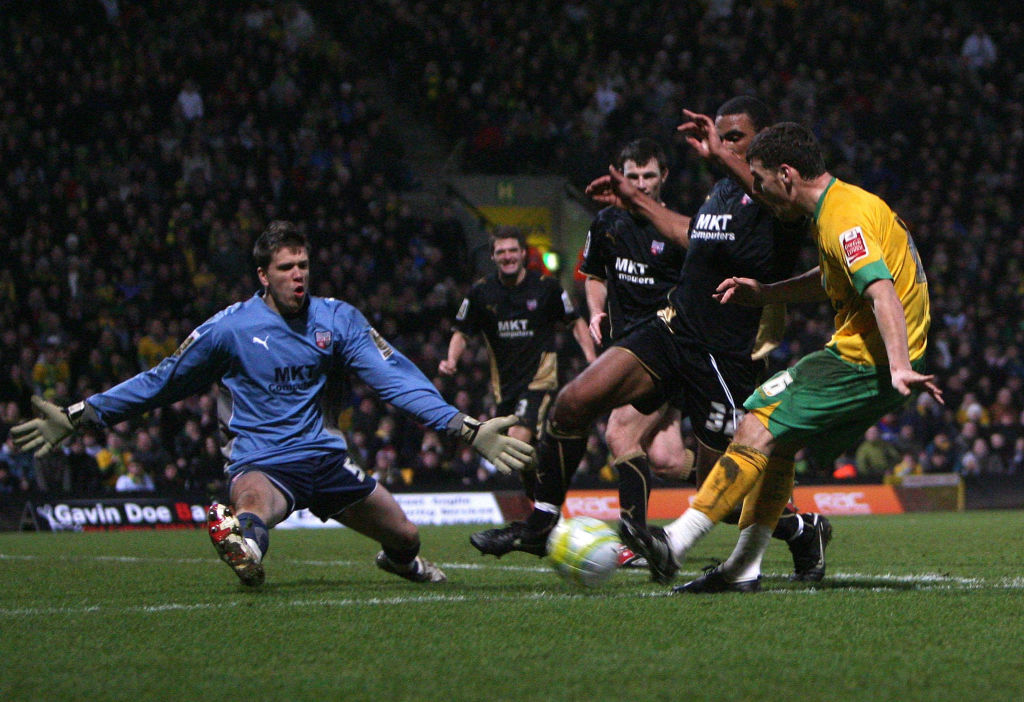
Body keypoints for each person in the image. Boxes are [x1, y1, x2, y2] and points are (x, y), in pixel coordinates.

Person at [12, 221, 535, 587]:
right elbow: (162, 380)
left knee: (407, 537)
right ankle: (245, 545)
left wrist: (463, 426)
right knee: (255, 509)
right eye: (286, 268)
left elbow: (394, 377)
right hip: (261, 459)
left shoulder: (337, 320)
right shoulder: (228, 329)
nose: (299, 276)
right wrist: (84, 414)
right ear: (263, 275)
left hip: (325, 460)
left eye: (304, 265)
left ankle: (402, 565)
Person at [471, 97, 831, 583]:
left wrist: (718, 156)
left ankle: (801, 528)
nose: (720, 146)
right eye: (719, 137)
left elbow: (776, 203)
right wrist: (636, 202)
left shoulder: (784, 201)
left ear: (764, 141)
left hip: (725, 357)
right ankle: (541, 522)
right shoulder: (724, 191)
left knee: (717, 498)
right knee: (574, 402)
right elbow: (689, 235)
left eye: (733, 138)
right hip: (673, 327)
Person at [625, 121, 942, 593]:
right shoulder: (842, 207)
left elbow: (881, 293)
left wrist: (899, 365)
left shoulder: (843, 218)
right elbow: (836, 278)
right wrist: (767, 294)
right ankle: (741, 571)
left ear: (787, 175)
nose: (757, 189)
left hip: (868, 362)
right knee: (779, 445)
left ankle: (674, 542)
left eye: (760, 178)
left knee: (757, 418)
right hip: (867, 356)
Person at [439, 225, 596, 498]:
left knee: (517, 440)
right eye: (501, 252)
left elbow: (575, 321)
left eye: (513, 250)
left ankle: (545, 503)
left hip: (539, 381)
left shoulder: (546, 287)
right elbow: (462, 331)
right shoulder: (481, 293)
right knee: (518, 455)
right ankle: (542, 507)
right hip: (505, 388)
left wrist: (592, 359)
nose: (508, 256)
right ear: (493, 257)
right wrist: (451, 360)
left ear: (523, 253)